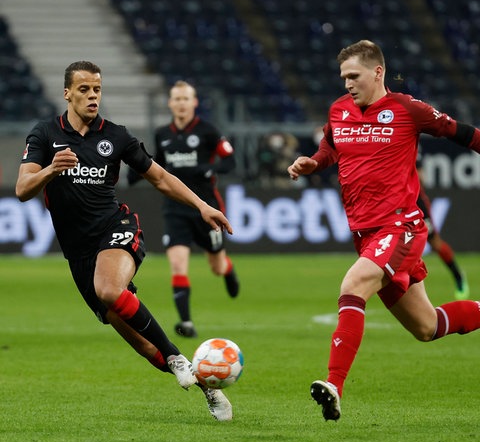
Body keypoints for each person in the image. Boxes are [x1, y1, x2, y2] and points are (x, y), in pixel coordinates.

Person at [15, 61, 233, 421]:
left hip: (116, 227)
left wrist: (201, 205)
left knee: (108, 288)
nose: (92, 96)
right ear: (67, 93)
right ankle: (206, 385)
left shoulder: (115, 136)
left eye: (97, 89)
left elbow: (160, 178)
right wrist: (51, 169)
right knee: (148, 348)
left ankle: (178, 359)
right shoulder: (44, 135)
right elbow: (23, 189)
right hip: (79, 253)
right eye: (84, 89)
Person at [287, 40, 480, 421]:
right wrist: (313, 163)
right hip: (365, 235)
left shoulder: (408, 110)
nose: (347, 84)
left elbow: (464, 133)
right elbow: (330, 148)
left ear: (378, 72)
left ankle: (334, 385)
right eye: (343, 77)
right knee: (427, 326)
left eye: (354, 76)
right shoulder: (339, 111)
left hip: (401, 226)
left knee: (353, 286)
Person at [128, 80, 239, 338]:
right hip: (174, 207)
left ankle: (228, 269)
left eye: (185, 99)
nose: (181, 103)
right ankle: (186, 322)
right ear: (170, 103)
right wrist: (136, 173)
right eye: (176, 99)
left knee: (216, 266)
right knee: (178, 264)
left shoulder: (208, 131)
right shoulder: (162, 134)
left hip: (206, 208)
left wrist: (210, 169)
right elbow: (158, 164)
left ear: (194, 103)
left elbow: (230, 160)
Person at [416, 148, 469, 299]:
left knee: (434, 242)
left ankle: (458, 276)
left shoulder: (408, 145)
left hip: (415, 202)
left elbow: (421, 179)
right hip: (395, 201)